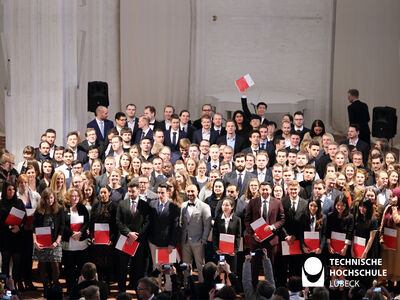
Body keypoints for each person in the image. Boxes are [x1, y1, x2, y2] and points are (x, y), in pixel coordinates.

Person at [244, 182, 285, 287]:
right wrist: (253, 234)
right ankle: (253, 289)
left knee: (270, 267)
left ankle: (269, 289)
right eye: (263, 190)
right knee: (254, 266)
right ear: (259, 190)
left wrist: (273, 227)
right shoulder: (253, 202)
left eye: (267, 189)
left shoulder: (277, 202)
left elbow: (282, 219)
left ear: (270, 190)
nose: (265, 192)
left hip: (271, 241)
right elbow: (247, 220)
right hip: (255, 241)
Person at [116, 180, 150, 292]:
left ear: (139, 191)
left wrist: (136, 235)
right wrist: (128, 233)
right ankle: (122, 291)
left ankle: (138, 290)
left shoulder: (145, 205)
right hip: (124, 238)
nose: (131, 194)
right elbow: (118, 221)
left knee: (138, 267)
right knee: (122, 267)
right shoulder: (122, 203)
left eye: (133, 192)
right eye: (129, 191)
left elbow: (147, 222)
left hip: (138, 240)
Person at [32, 188, 65, 293]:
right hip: (41, 242)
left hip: (55, 241)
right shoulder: (38, 211)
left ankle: (55, 286)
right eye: (47, 198)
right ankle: (45, 287)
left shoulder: (59, 209)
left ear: (54, 198)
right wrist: (35, 241)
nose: (49, 200)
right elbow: (34, 228)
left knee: (55, 264)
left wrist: (56, 242)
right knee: (42, 264)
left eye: (51, 198)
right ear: (43, 199)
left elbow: (62, 227)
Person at [148, 183, 179, 291]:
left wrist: (172, 244)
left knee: (167, 269)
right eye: (158, 192)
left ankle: (169, 292)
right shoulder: (151, 204)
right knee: (156, 268)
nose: (160, 195)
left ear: (168, 193)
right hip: (154, 243)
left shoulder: (174, 207)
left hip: (167, 245)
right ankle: (157, 290)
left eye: (162, 193)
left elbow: (175, 227)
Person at [180, 184, 212, 283]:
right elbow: (181, 223)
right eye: (188, 191)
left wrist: (204, 239)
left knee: (200, 266)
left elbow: (207, 225)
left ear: (197, 191)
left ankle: (202, 285)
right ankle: (187, 286)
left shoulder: (204, 206)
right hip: (185, 241)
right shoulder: (183, 205)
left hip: (198, 241)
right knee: (186, 265)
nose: (190, 193)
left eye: (192, 191)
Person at [61, 187, 90, 294]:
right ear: (69, 197)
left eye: (77, 196)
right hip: (69, 244)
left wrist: (80, 233)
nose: (75, 198)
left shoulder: (82, 208)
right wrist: (71, 234)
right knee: (69, 269)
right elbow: (62, 224)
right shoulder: (64, 209)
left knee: (80, 269)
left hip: (81, 244)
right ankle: (70, 289)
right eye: (73, 196)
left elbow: (87, 222)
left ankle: (80, 290)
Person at [0, 181, 26, 291]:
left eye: (13, 189)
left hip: (17, 236)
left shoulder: (19, 202)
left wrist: (19, 227)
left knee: (17, 262)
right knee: (5, 263)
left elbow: (24, 218)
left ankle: (14, 283)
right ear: (5, 191)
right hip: (5, 236)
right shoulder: (0, 204)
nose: (12, 192)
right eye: (9, 189)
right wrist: (9, 227)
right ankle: (6, 285)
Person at [89, 186, 118, 283]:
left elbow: (115, 225)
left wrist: (112, 239)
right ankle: (99, 280)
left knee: (108, 261)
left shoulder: (114, 206)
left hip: (109, 238)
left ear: (109, 193)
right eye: (101, 192)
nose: (103, 195)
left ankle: (108, 282)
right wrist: (92, 236)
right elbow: (91, 223)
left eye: (105, 192)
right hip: (97, 238)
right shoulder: (95, 205)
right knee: (98, 261)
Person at [16, 174, 39, 291]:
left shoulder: (35, 195)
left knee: (29, 257)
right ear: (18, 184)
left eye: (25, 182)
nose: (23, 185)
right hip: (19, 231)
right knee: (20, 257)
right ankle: (19, 282)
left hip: (31, 231)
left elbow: (40, 210)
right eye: (21, 183)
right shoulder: (15, 196)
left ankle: (29, 281)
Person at [213, 197, 241, 273]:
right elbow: (215, 234)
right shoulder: (218, 218)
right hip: (221, 251)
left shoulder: (237, 219)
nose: (224, 207)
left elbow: (238, 236)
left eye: (227, 205)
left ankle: (231, 285)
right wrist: (216, 248)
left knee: (231, 271)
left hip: (231, 252)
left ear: (232, 207)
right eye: (223, 205)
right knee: (221, 270)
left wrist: (235, 250)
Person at [379, 187, 400, 282]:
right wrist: (381, 238)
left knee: (396, 265)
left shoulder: (393, 208)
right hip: (388, 240)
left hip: (398, 243)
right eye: (390, 196)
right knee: (387, 265)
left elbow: (397, 220)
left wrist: (394, 208)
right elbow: (382, 223)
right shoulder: (388, 207)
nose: (390, 198)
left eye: (393, 196)